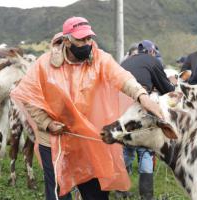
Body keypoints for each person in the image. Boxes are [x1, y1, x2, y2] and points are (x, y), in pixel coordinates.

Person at [10, 16, 163, 200]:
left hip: (86, 139)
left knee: (95, 193)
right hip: (54, 140)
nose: (86, 43)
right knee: (58, 193)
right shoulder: (44, 65)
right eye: (80, 39)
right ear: (67, 41)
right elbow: (29, 98)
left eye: (89, 38)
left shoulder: (100, 60)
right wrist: (48, 123)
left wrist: (142, 96)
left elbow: (122, 78)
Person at [120, 40, 175, 200]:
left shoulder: (126, 61)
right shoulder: (153, 61)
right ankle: (147, 195)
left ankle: (120, 191)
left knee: (126, 148)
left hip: (121, 107)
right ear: (151, 52)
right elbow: (167, 89)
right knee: (145, 150)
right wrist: (172, 86)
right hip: (139, 106)